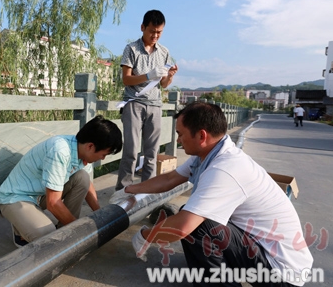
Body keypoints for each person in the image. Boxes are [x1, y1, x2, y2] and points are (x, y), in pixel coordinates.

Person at [112, 102, 313, 286]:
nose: (179, 140)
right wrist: (129, 189)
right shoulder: (208, 154)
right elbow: (169, 179)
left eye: (180, 134)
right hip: (264, 252)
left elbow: (182, 227)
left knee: (200, 227)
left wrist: (146, 235)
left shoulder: (225, 168)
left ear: (201, 136)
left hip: (282, 273)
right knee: (195, 217)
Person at [0, 115, 122, 247]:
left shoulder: (82, 152)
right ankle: (20, 228)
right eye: (104, 154)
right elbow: (53, 202)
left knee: (82, 177)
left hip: (40, 194)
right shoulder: (60, 151)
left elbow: (87, 185)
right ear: (90, 146)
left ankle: (65, 230)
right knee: (49, 237)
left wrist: (100, 216)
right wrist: (79, 230)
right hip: (17, 198)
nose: (102, 158)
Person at [115, 9, 178, 191]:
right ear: (143, 27)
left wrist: (170, 76)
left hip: (155, 105)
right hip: (134, 103)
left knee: (152, 153)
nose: (155, 36)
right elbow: (126, 79)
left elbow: (164, 84)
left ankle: (147, 192)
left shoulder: (164, 52)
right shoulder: (131, 49)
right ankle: (122, 192)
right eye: (152, 31)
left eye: (159, 32)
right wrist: (148, 75)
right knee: (131, 151)